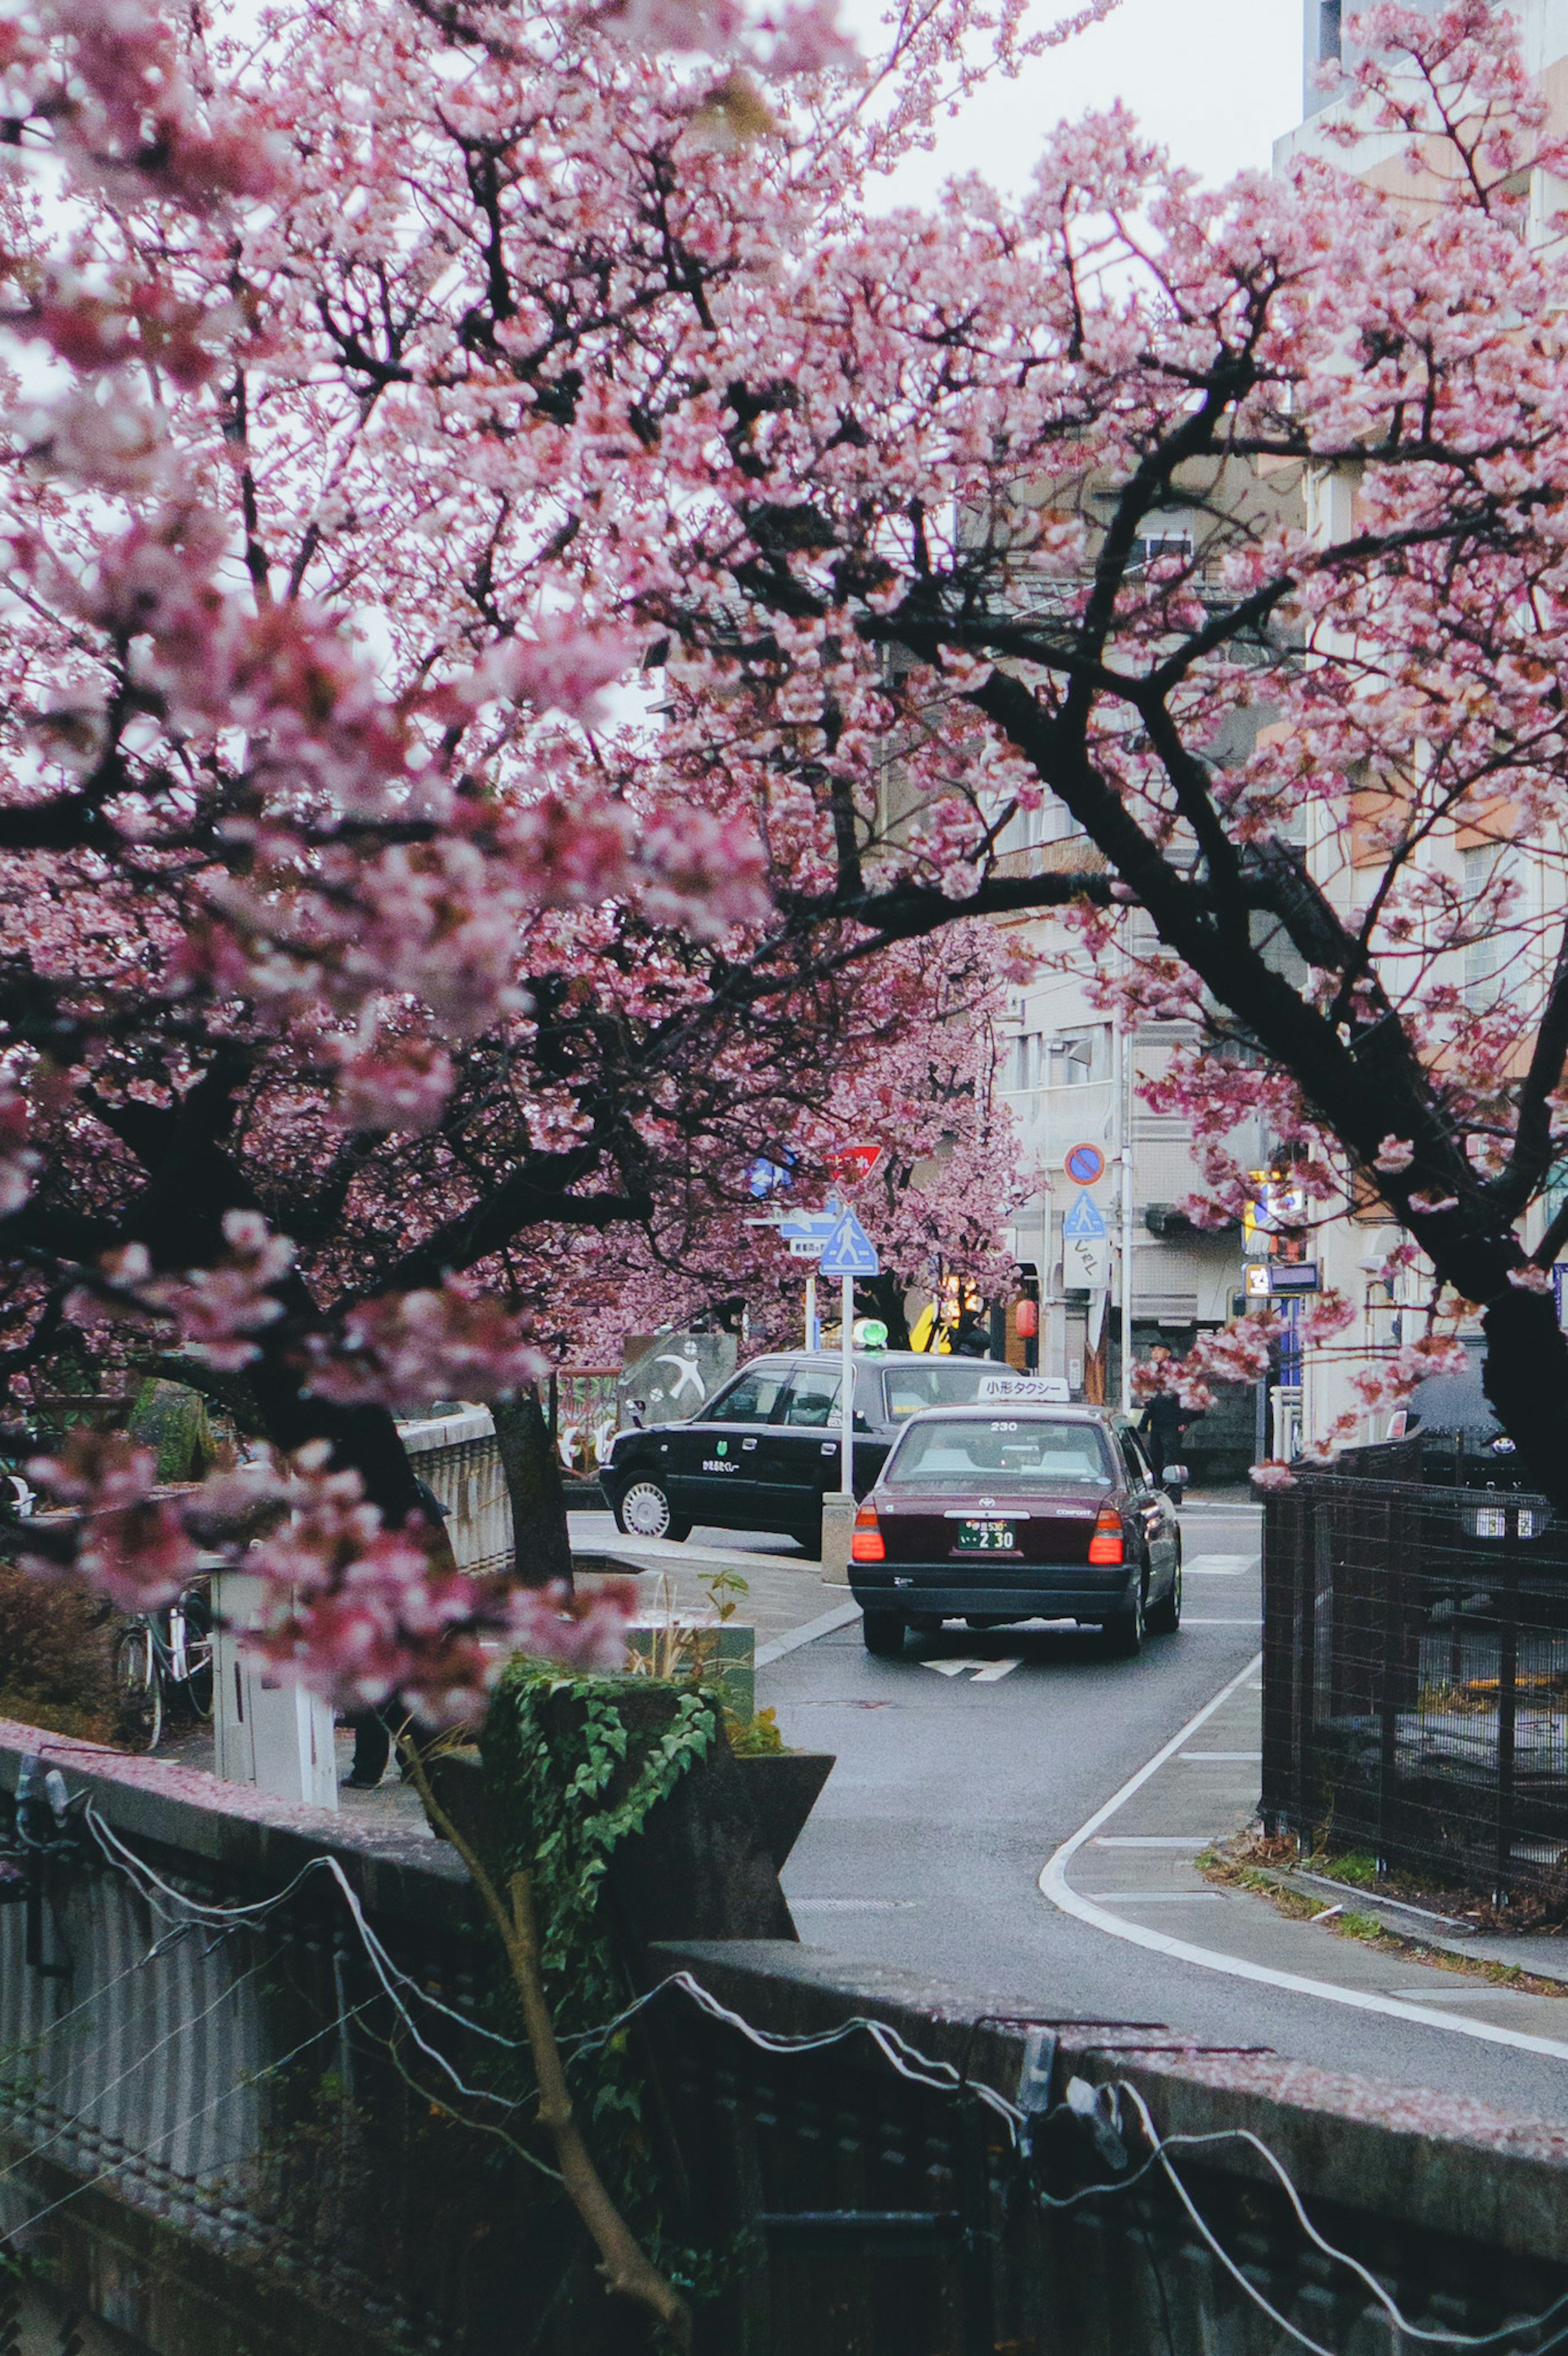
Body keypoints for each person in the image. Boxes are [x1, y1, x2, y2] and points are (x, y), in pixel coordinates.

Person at [1138, 1345, 1197, 1489]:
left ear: (1168, 1353)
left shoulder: (1176, 1370)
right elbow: (1150, 1401)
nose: (1155, 1353)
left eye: (1159, 1350)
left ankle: (1175, 1492)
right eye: (1153, 1350)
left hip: (1172, 1422)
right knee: (1154, 1459)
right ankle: (1157, 1490)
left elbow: (1187, 1395)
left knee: (1172, 1458)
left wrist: (1185, 1419)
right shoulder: (1152, 1371)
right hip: (1157, 1421)